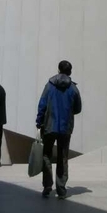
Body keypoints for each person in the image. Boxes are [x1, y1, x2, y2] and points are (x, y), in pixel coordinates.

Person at [36, 60, 82, 200]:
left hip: (49, 126)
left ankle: (47, 185)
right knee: (63, 157)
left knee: (46, 155)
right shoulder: (73, 89)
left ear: (58, 70)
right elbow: (78, 109)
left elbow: (42, 104)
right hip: (65, 128)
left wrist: (39, 122)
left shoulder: (49, 86)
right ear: (70, 72)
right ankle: (61, 189)